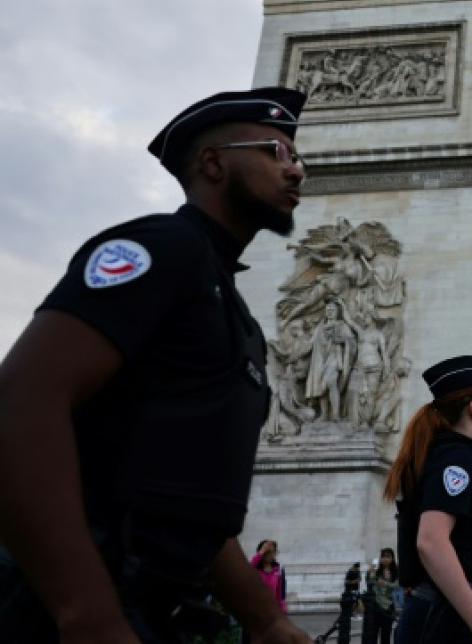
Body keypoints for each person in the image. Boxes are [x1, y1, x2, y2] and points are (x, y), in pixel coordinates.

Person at [0, 87, 312, 644]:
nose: (296, 170)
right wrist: (87, 616)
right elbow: (22, 399)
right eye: (274, 151)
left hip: (163, 612)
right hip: (79, 607)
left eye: (297, 156)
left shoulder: (233, 312)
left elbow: (190, 501)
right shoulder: (159, 251)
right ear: (213, 163)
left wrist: (265, 620)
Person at [385, 355, 472, 643]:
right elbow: (431, 542)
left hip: (444, 613)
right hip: (444, 619)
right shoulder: (454, 460)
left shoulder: (442, 455)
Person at [361, 549, 399, 644]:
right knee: (373, 633)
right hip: (376, 606)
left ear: (392, 558)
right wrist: (369, 573)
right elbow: (370, 582)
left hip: (388, 606)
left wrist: (384, 583)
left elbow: (396, 585)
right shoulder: (378, 571)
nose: (385, 559)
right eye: (383, 556)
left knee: (386, 634)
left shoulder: (396, 571)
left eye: (387, 556)